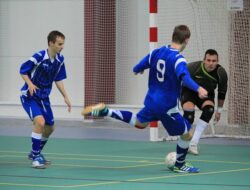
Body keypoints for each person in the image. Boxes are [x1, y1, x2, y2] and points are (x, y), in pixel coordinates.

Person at [82, 25, 208, 173]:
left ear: (173, 36)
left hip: (151, 100)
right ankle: (180, 165)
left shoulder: (157, 52)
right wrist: (198, 88)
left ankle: (107, 111)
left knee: (140, 123)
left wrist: (137, 69)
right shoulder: (178, 59)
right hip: (166, 106)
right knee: (187, 134)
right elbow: (184, 76)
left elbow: (140, 65)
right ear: (186, 40)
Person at [19, 30, 71, 169]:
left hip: (43, 98)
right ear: (51, 43)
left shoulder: (60, 60)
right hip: (29, 96)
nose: (62, 46)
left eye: (63, 44)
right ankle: (35, 157)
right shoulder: (39, 56)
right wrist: (30, 84)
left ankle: (35, 152)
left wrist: (65, 96)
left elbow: (58, 79)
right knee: (40, 122)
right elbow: (23, 70)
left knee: (50, 128)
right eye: (59, 44)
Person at [181, 49, 228, 155]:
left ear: (217, 61)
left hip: (207, 94)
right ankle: (184, 142)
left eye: (214, 61)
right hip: (189, 92)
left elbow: (222, 92)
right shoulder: (192, 67)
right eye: (209, 60)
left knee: (209, 110)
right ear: (204, 60)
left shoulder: (221, 73)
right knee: (189, 114)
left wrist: (219, 111)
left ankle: (193, 143)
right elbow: (180, 79)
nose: (211, 63)